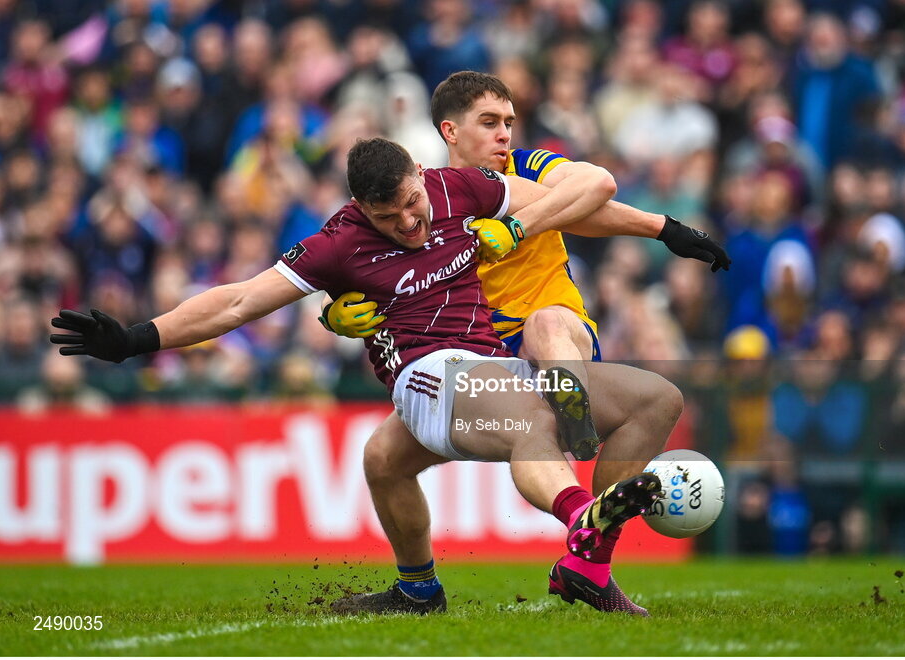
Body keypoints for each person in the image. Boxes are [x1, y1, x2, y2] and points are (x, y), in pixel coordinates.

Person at [51, 137, 687, 616]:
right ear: (360, 208)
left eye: (412, 204)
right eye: (389, 218)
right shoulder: (338, 243)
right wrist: (138, 338)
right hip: (428, 377)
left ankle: (516, 576)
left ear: (420, 175)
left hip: (495, 366)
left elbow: (589, 191)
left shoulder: (458, 187)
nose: (410, 223)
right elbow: (240, 301)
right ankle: (582, 517)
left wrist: (531, 226)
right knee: (529, 423)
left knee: (657, 400)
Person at [319, 72, 730, 614]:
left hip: (555, 342)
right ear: (450, 131)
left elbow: (595, 192)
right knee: (381, 458)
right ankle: (419, 589)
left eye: (509, 122)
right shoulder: (425, 197)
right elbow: (368, 263)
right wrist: (333, 315)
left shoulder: (530, 169)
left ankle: (580, 487)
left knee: (545, 328)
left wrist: (664, 229)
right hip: (481, 364)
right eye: (489, 123)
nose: (504, 134)